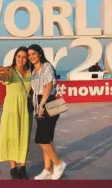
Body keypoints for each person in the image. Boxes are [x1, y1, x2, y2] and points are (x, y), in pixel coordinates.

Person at [27, 44, 66, 180]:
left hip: (47, 102)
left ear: (40, 54)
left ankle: (59, 164)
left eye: (34, 54)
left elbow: (49, 85)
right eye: (29, 55)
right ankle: (47, 169)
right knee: (46, 138)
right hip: (39, 104)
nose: (31, 57)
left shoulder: (46, 67)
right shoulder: (34, 71)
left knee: (41, 139)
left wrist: (42, 104)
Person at [0, 47, 32, 180]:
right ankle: (13, 168)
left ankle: (23, 167)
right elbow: (1, 76)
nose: (21, 59)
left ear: (27, 59)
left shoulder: (29, 73)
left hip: (25, 109)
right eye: (19, 56)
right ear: (15, 57)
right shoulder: (9, 71)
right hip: (11, 109)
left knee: (23, 137)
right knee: (11, 136)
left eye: (24, 57)